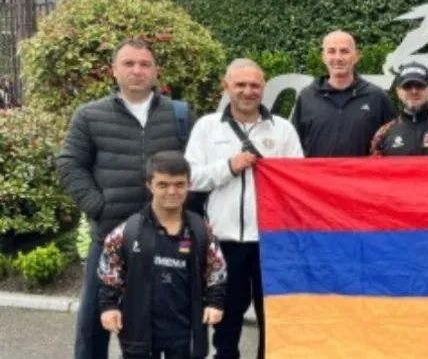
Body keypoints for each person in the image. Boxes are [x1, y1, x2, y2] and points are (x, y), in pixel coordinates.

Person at [57, 38, 196, 359]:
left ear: (156, 70)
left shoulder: (179, 115)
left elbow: (196, 167)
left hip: (166, 240)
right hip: (111, 238)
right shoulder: (89, 116)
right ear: (114, 70)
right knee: (93, 325)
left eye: (145, 64)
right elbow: (69, 164)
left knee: (168, 327)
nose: (137, 70)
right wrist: (97, 206)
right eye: (129, 64)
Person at [185, 58, 304, 359]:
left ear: (263, 88)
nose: (248, 91)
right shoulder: (207, 127)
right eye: (240, 84)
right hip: (225, 241)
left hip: (272, 242)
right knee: (226, 319)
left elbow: (299, 183)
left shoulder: (283, 129)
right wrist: (228, 167)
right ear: (226, 86)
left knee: (274, 318)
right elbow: (191, 178)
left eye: (254, 85)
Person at [97, 151, 227, 359]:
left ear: (189, 185)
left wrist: (214, 302)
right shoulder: (128, 231)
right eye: (163, 185)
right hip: (140, 332)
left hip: (185, 331)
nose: (172, 191)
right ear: (150, 185)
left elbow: (216, 269)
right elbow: (109, 273)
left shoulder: (200, 230)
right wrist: (109, 306)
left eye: (179, 184)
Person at [292, 30, 395, 156]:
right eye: (331, 51)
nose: (338, 58)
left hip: (362, 170)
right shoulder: (307, 97)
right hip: (316, 170)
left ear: (356, 56)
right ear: (323, 56)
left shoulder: (376, 97)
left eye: (344, 51)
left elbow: (391, 145)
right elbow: (294, 147)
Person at [370, 62, 428, 156]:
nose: (414, 91)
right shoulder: (384, 132)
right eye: (407, 86)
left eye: (420, 85)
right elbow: (374, 164)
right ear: (398, 92)